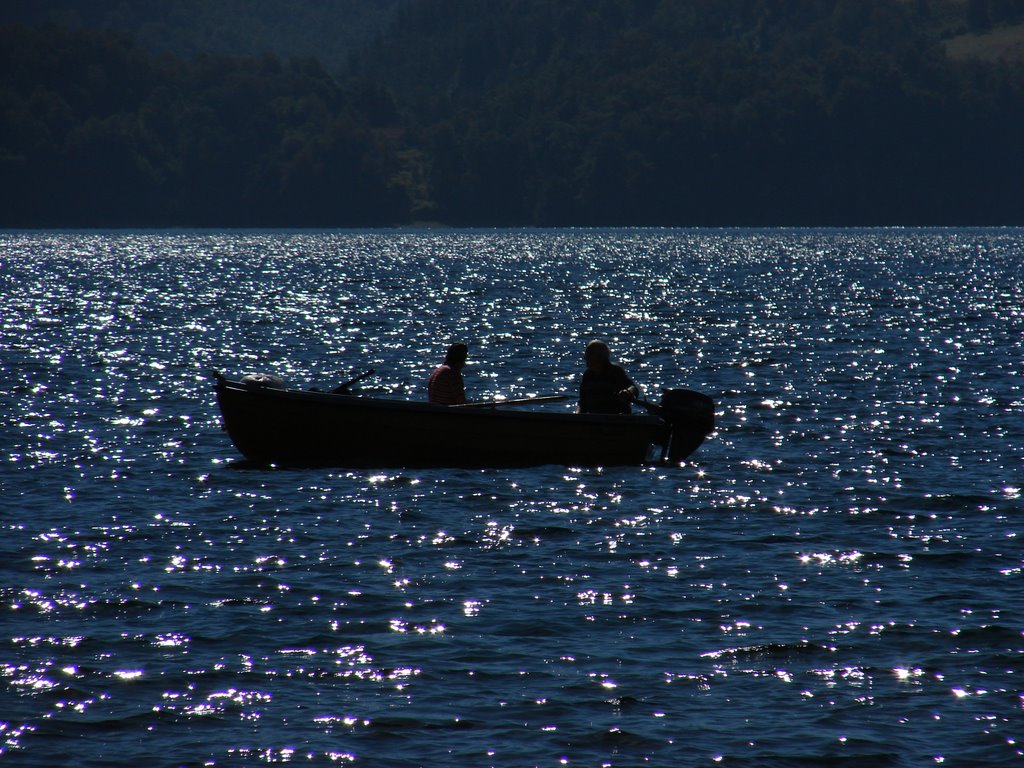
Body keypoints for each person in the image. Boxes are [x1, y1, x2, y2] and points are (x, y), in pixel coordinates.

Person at [578, 340, 639, 414]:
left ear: (600, 357)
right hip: (594, 418)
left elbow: (633, 388)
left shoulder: (615, 371)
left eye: (589, 356)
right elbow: (582, 402)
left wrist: (628, 392)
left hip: (616, 417)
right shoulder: (588, 375)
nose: (586, 359)